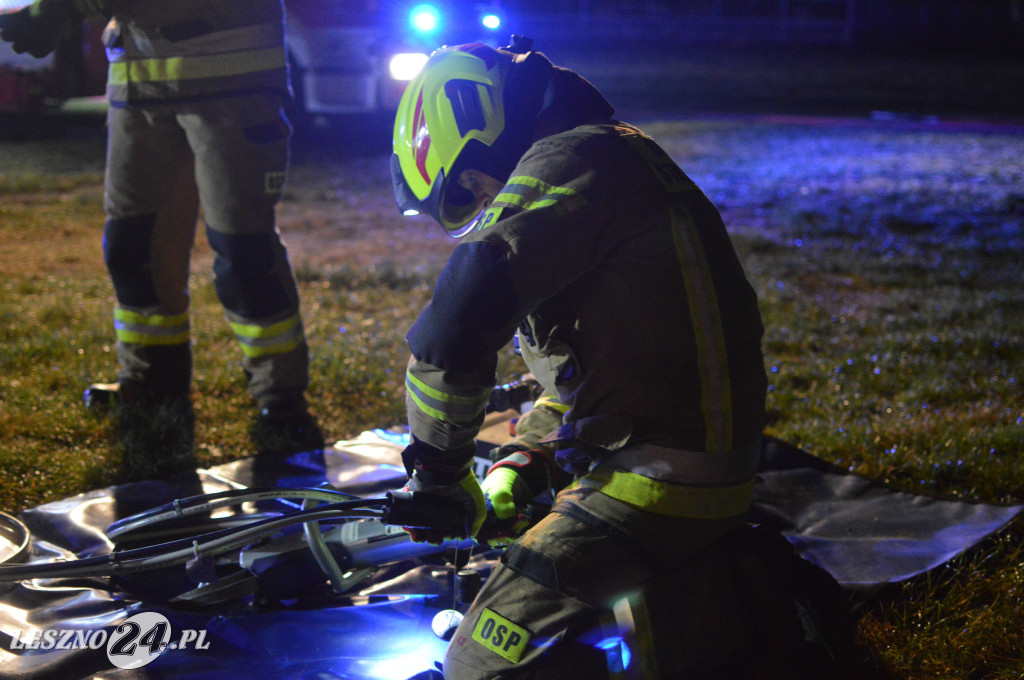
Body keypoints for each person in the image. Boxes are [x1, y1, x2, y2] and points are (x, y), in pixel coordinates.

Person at [391, 38, 857, 679]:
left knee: (476, 662)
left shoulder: (571, 164)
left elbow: (457, 322)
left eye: (471, 187)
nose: (481, 202)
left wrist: (438, 474)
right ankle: (698, 594)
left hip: (653, 487)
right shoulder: (606, 157)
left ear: (482, 152)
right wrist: (521, 465)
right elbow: (598, 366)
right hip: (688, 469)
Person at [0, 0, 321, 454]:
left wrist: (67, 8)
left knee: (243, 250)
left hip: (231, 82)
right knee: (134, 247)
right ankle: (151, 380)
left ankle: (282, 399)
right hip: (139, 82)